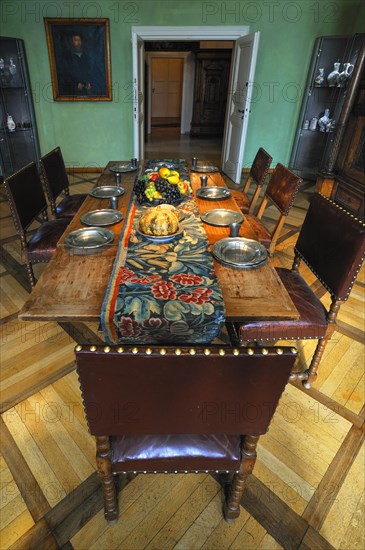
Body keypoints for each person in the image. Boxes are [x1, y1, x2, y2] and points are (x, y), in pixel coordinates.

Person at [58, 32, 105, 96]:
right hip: (73, 89)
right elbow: (65, 74)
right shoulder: (67, 57)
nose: (78, 42)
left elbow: (92, 71)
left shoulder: (86, 56)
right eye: (75, 40)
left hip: (87, 88)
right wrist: (75, 84)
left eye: (79, 40)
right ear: (71, 42)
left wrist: (89, 83)